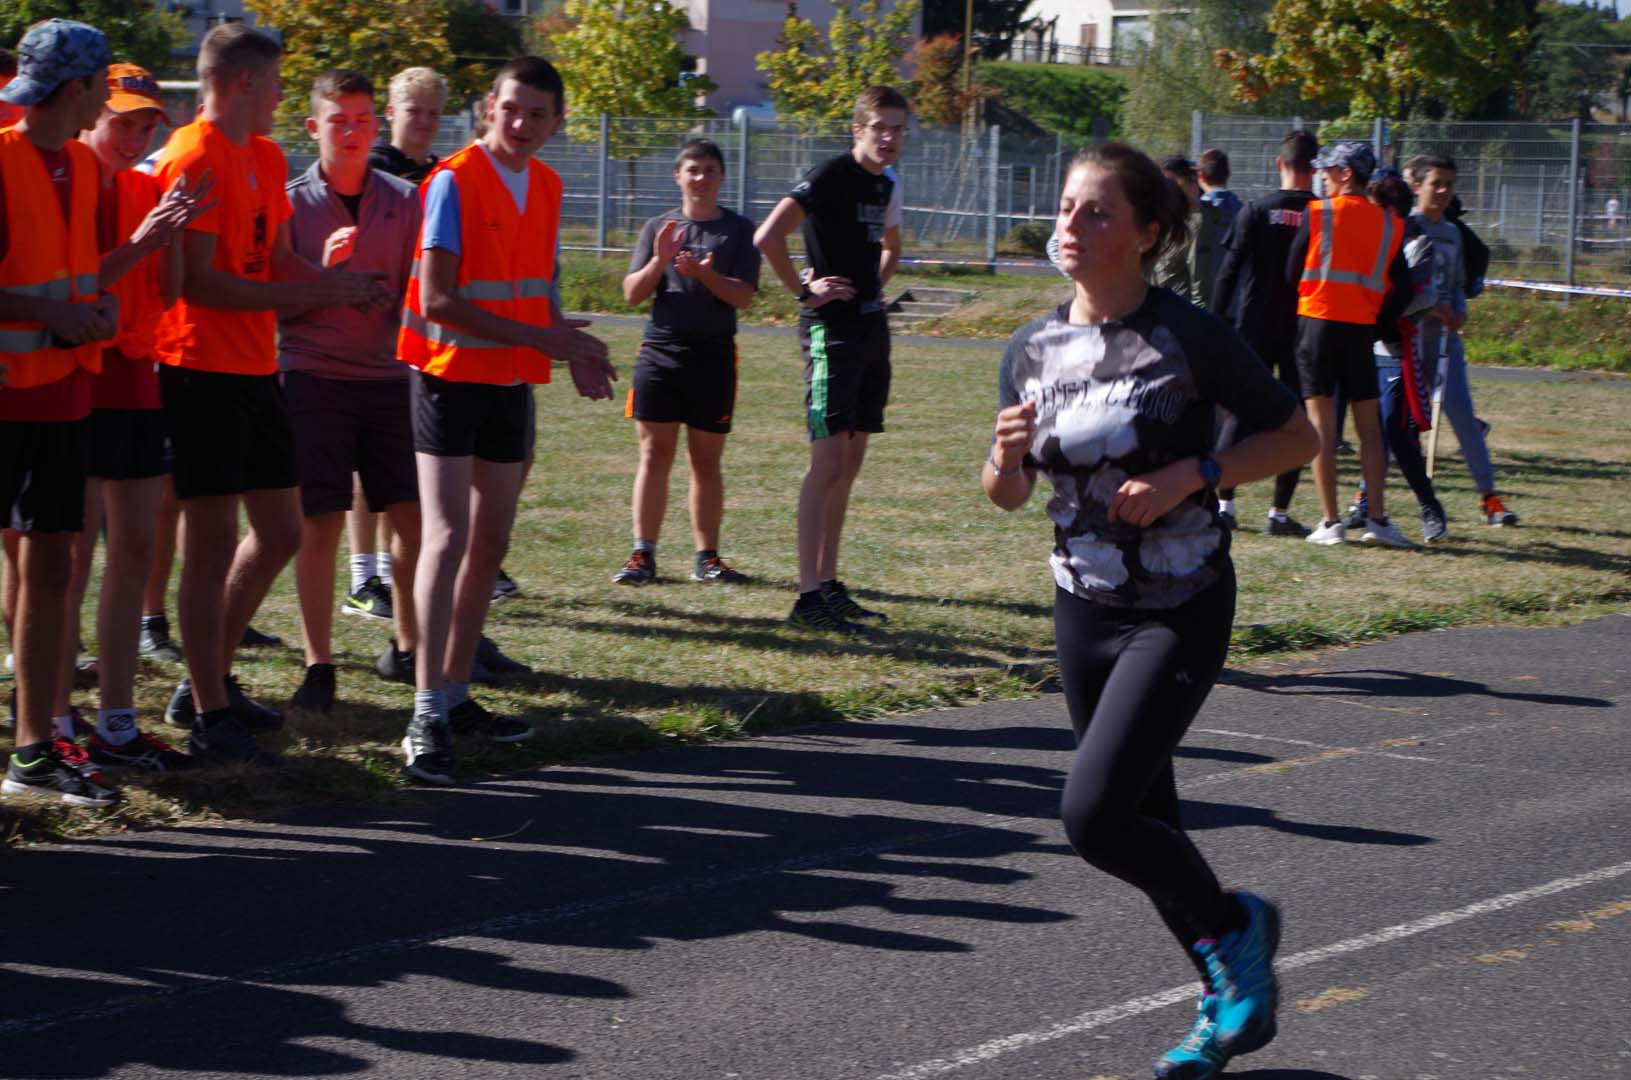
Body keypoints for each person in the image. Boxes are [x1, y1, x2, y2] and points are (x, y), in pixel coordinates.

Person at [984, 142, 1318, 1080]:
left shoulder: (1186, 334)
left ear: (1146, 234)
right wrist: (1003, 457)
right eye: (1066, 207)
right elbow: (1006, 494)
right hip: (1081, 606)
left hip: (1178, 603)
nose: (1071, 226)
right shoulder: (1028, 348)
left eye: (1097, 212)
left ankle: (1235, 929)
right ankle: (1225, 1007)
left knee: (1094, 818)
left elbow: (1296, 435)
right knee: (1148, 819)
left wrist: (1194, 472)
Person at [149, 23, 388, 764]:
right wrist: (308, 293)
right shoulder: (192, 156)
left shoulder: (263, 154)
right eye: (277, 82)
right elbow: (198, 282)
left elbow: (277, 258)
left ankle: (206, 682)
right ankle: (208, 710)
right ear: (244, 82)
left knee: (283, 531)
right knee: (212, 544)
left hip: (255, 368)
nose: (284, 95)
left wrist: (331, 284)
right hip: (198, 370)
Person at [396, 55, 615, 784]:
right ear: (489, 106)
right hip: (447, 377)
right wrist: (545, 340)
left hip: (510, 381)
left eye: (537, 114)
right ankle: (424, 712)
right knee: (447, 537)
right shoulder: (453, 180)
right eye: (510, 108)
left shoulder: (546, 184)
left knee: (490, 544)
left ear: (557, 122)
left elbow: (539, 282)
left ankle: (456, 695)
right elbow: (437, 299)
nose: (520, 123)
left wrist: (569, 346)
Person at [65, 62, 213, 771]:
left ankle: (117, 722)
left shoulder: (148, 187)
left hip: (136, 381)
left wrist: (175, 229)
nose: (133, 137)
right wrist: (146, 240)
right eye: (121, 122)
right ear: (93, 116)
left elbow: (174, 290)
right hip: (80, 379)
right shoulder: (71, 183)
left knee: (133, 553)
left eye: (146, 125)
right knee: (67, 561)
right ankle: (51, 716)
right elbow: (76, 284)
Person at [0, 19, 123, 804]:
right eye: (101, 84)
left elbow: (79, 276)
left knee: (53, 569)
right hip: (7, 394)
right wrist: (56, 315)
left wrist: (100, 310)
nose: (105, 98)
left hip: (65, 395)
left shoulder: (82, 162)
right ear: (76, 88)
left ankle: (34, 751)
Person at [281, 69, 424, 714]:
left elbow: (423, 293)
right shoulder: (289, 204)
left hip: (391, 378)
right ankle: (320, 663)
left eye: (363, 120)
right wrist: (324, 277)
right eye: (339, 121)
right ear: (314, 127)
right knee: (319, 522)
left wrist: (401, 307)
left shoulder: (406, 199)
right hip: (314, 377)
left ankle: (408, 645)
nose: (352, 132)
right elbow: (273, 309)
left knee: (413, 520)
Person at [754, 85, 907, 635]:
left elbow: (891, 247)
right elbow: (767, 236)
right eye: (880, 127)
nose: (889, 138)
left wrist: (872, 288)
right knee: (826, 465)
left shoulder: (886, 183)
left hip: (870, 329)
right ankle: (807, 597)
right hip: (831, 333)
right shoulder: (829, 176)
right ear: (858, 129)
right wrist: (805, 291)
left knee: (849, 464)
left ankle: (829, 581)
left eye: (898, 129)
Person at [615, 138, 760, 586]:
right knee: (653, 455)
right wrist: (660, 260)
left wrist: (707, 274)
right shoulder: (657, 227)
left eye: (710, 170)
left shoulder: (739, 230)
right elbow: (631, 294)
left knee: (705, 461)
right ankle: (643, 555)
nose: (701, 178)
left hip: (713, 357)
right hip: (661, 353)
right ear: (678, 176)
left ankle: (708, 558)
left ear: (722, 177)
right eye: (693, 170)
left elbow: (744, 297)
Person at [342, 65, 450, 625]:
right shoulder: (373, 168)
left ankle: (389, 570)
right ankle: (362, 577)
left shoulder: (440, 173)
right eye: (414, 111)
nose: (424, 121)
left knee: (402, 460)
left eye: (433, 113)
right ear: (390, 114)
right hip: (373, 322)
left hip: (418, 328)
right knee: (368, 462)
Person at [1284, 140, 1415, 548]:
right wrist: (1379, 321)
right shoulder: (1390, 224)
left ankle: (1331, 522)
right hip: (1361, 330)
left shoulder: (1318, 212)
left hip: (1316, 325)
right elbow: (1404, 287)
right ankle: (1377, 519)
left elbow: (1291, 271)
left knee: (1322, 426)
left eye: (1328, 170)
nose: (1322, 176)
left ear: (1346, 174)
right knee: (1370, 429)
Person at [1210, 130, 1319, 537]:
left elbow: (1229, 271)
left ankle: (1224, 505)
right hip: (1303, 328)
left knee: (1241, 412)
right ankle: (1279, 513)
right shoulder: (1323, 214)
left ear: (1279, 164)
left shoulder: (1256, 210)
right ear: (1315, 169)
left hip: (1254, 324)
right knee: (1297, 420)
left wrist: (1216, 322)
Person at [1402, 154, 1517, 528]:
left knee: (1464, 417)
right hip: (1409, 342)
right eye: (1436, 183)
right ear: (1417, 185)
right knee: (1395, 422)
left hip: (1445, 343)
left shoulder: (1453, 233)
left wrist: (1458, 311)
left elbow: (1456, 285)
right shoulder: (1404, 227)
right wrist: (1429, 308)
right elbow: (1397, 286)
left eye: (1449, 184)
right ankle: (1365, 500)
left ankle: (1490, 498)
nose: (1443, 191)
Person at [1346, 171, 1449, 544]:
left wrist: (1379, 313)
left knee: (1396, 432)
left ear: (1390, 212)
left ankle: (1430, 507)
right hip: (1365, 347)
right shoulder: (1369, 241)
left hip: (1398, 352)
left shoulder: (1418, 245)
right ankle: (1365, 504)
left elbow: (1424, 296)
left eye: (1374, 209)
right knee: (1371, 432)